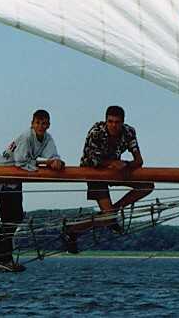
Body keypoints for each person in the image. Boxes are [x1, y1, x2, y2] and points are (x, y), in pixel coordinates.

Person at [62, 105, 154, 253]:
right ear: (105, 121)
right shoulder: (96, 132)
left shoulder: (129, 132)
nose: (113, 125)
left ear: (123, 122)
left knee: (147, 185)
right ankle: (72, 229)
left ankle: (113, 213)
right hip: (94, 173)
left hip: (115, 171)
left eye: (117, 122)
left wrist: (125, 164)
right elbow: (92, 159)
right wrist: (112, 163)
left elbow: (139, 160)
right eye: (110, 121)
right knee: (108, 216)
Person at [0, 109, 64, 272]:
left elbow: (52, 154)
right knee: (11, 217)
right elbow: (20, 161)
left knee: (14, 217)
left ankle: (1, 255)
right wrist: (45, 165)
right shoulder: (25, 137)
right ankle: (0, 255)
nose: (41, 126)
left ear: (48, 125)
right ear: (32, 124)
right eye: (38, 123)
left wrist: (55, 161)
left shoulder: (47, 138)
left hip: (16, 177)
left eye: (44, 123)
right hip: (3, 174)